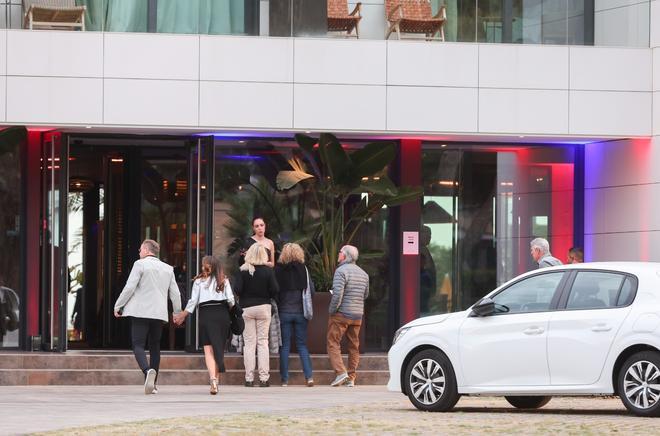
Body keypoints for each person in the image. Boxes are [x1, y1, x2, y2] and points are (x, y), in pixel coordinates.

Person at [114, 239, 181, 395]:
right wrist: (177, 312)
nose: (139, 252)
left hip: (140, 311)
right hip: (159, 313)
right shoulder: (168, 268)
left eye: (140, 249)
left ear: (145, 249)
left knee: (138, 344)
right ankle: (154, 384)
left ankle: (146, 371)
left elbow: (130, 287)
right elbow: (175, 294)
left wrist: (118, 305)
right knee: (155, 347)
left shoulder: (140, 264)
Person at [173, 256, 234, 395]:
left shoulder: (199, 282)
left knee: (208, 351)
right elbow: (231, 301)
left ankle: (213, 379)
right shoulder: (224, 280)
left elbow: (192, 302)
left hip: (206, 315)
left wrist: (182, 315)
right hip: (222, 315)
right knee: (219, 348)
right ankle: (216, 381)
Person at [235, 243, 279, 387]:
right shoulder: (268, 271)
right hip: (263, 307)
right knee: (263, 342)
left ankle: (249, 378)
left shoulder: (243, 270)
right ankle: (264, 378)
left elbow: (237, 289)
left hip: (246, 308)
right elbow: (275, 289)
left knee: (249, 344)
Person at [327, 245, 369, 387]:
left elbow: (338, 294)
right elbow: (366, 295)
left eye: (339, 252)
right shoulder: (364, 274)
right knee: (353, 346)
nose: (338, 255)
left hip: (341, 314)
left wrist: (332, 310)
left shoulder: (341, 271)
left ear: (345, 256)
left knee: (333, 342)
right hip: (357, 315)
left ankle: (340, 373)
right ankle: (351, 377)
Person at [274, 243, 314, 387]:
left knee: (284, 346)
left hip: (284, 312)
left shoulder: (278, 270)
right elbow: (312, 291)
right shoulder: (303, 269)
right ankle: (309, 377)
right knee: (302, 345)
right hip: (300, 312)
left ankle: (284, 379)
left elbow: (275, 291)